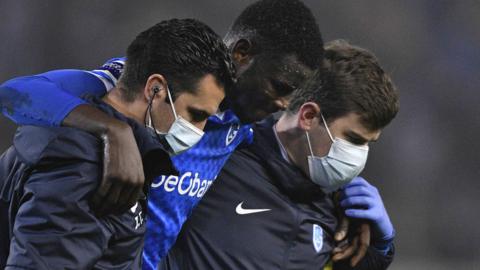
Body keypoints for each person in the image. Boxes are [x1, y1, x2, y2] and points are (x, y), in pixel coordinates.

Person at [0, 0, 374, 268]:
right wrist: (114, 132)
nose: (283, 103)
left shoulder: (243, 122)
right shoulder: (150, 86)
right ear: (243, 54)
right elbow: (15, 93)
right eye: (279, 85)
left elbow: (294, 151)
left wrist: (349, 201)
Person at [0, 18, 234, 269]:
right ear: (155, 89)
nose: (199, 131)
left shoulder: (123, 151)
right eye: (196, 115)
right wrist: (114, 132)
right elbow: (11, 93)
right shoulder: (87, 164)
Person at [159, 40, 399, 270]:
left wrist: (380, 248)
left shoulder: (339, 211)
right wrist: (121, 135)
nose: (359, 156)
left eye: (368, 144)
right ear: (309, 116)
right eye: (354, 140)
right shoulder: (221, 153)